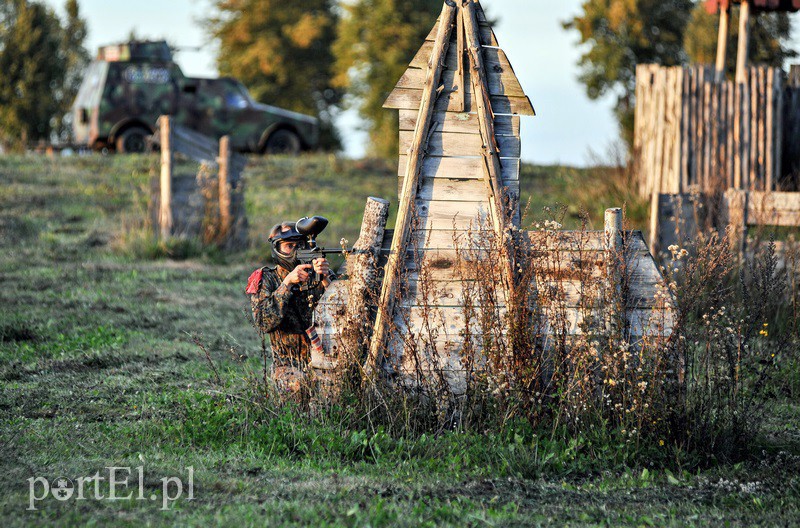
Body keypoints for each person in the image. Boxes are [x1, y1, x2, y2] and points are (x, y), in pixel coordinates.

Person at [246, 221, 333, 396]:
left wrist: (325, 279)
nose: (295, 250)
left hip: (325, 359)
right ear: (277, 248)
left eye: (299, 245)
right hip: (287, 365)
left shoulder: (317, 274)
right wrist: (287, 284)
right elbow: (264, 323)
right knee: (300, 387)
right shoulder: (267, 279)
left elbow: (342, 310)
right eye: (289, 246)